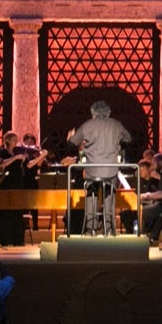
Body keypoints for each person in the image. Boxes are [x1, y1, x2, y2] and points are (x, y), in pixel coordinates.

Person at [67, 100, 131, 236]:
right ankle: (110, 227)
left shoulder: (87, 124)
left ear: (93, 112)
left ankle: (91, 228)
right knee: (110, 193)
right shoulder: (116, 124)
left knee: (91, 194)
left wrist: (70, 138)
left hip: (92, 171)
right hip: (111, 170)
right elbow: (128, 139)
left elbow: (73, 143)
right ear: (108, 112)